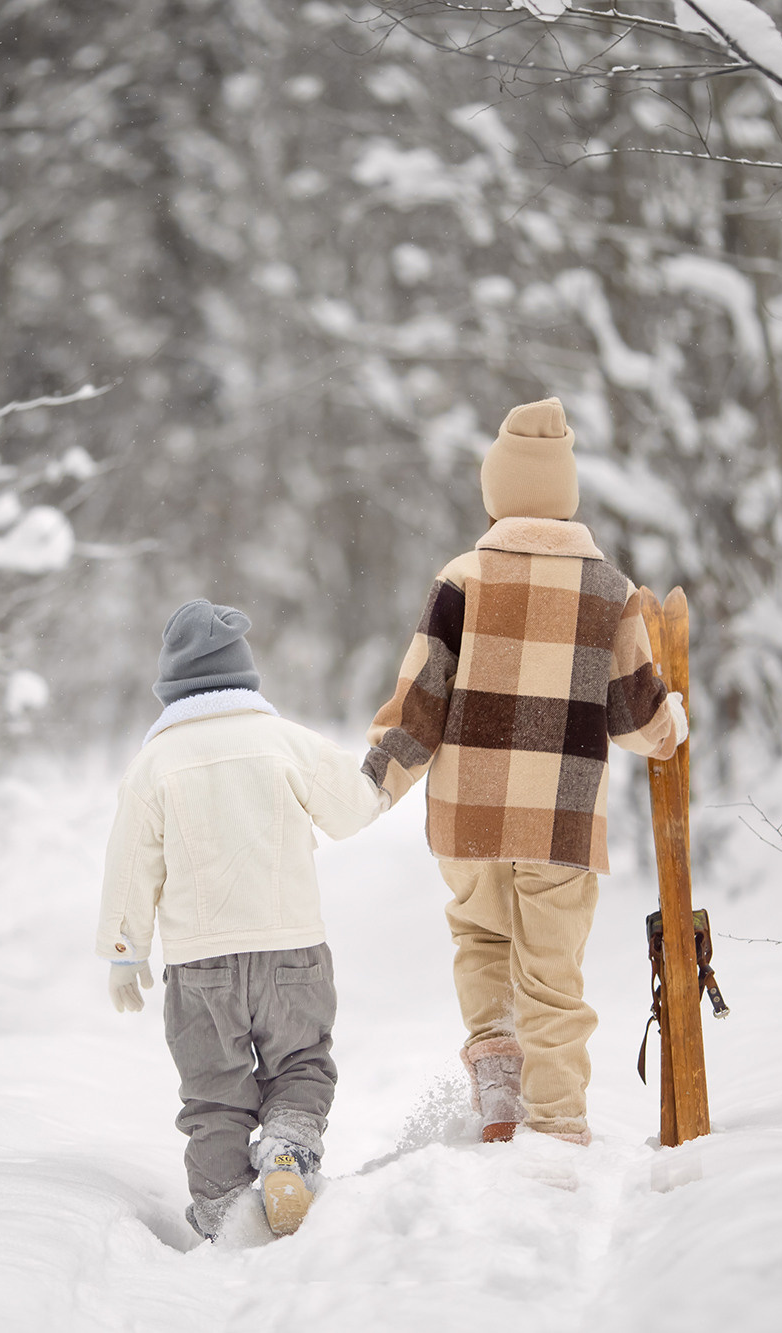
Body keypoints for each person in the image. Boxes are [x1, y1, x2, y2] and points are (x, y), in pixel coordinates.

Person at [362, 397, 686, 1147]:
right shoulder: (611, 590)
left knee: (481, 940)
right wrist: (672, 729)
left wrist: (378, 779)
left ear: (498, 493)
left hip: (468, 813)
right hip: (562, 817)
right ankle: (561, 1121)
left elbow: (420, 704)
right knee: (550, 969)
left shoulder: (462, 578)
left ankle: (501, 1092)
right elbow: (636, 717)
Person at [98, 599, 384, 1240]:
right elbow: (351, 808)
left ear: (171, 683)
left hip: (200, 968)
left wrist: (125, 951)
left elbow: (130, 866)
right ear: (245, 675)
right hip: (292, 955)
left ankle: (226, 1214)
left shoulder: (155, 764)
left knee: (214, 1097)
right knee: (302, 1064)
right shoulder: (283, 742)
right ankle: (288, 1148)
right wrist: (384, 777)